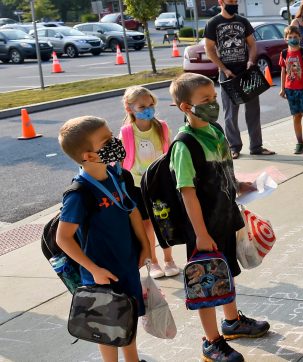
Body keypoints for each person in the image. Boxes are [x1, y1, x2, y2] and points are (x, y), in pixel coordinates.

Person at [169, 73, 270, 362]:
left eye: (214, 98)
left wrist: (240, 186)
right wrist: (200, 234)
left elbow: (224, 170)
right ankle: (211, 341)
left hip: (225, 218)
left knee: (227, 274)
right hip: (204, 228)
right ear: (186, 107)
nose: (213, 104)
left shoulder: (215, 131)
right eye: (205, 100)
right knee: (207, 285)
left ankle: (232, 322)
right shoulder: (184, 145)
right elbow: (187, 192)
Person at [57, 116, 151, 362]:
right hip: (101, 274)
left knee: (127, 320)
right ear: (88, 155)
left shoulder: (116, 175)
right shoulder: (79, 194)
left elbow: (132, 210)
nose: (115, 142)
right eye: (107, 140)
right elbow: (63, 238)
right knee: (106, 328)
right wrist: (94, 269)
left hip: (126, 263)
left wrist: (145, 244)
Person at [119, 86, 180, 279]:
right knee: (146, 225)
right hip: (137, 186)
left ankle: (169, 259)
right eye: (142, 106)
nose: (148, 109)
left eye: (151, 104)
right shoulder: (127, 133)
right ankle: (153, 261)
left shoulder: (161, 127)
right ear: (129, 109)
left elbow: (168, 152)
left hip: (160, 182)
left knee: (165, 221)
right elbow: (121, 162)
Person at [204, 0, 275, 159]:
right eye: (231, 1)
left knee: (253, 111)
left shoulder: (242, 21)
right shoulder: (213, 23)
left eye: (236, 1)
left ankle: (256, 146)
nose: (234, 3)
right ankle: (234, 147)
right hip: (228, 74)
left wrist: (251, 61)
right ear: (221, 2)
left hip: (246, 73)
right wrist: (224, 69)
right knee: (230, 113)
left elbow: (252, 44)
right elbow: (208, 49)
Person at [279, 26, 303, 154]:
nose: (293, 39)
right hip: (291, 89)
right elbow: (283, 71)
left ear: (300, 38)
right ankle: (299, 142)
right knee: (296, 117)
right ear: (285, 39)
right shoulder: (284, 54)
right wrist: (282, 89)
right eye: (290, 37)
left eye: (295, 37)